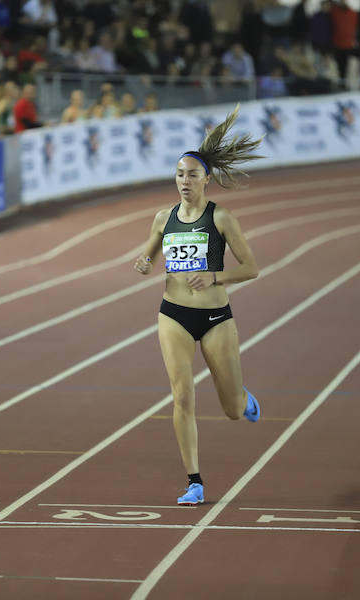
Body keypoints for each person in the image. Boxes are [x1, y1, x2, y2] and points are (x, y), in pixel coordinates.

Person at [133, 105, 263, 506]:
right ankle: (194, 481)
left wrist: (215, 276)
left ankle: (242, 398)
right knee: (182, 395)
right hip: (173, 314)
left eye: (192, 174)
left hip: (215, 317)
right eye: (179, 174)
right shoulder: (162, 217)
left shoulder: (221, 218)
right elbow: (149, 256)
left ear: (207, 179)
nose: (184, 181)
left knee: (230, 410)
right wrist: (143, 262)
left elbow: (252, 268)